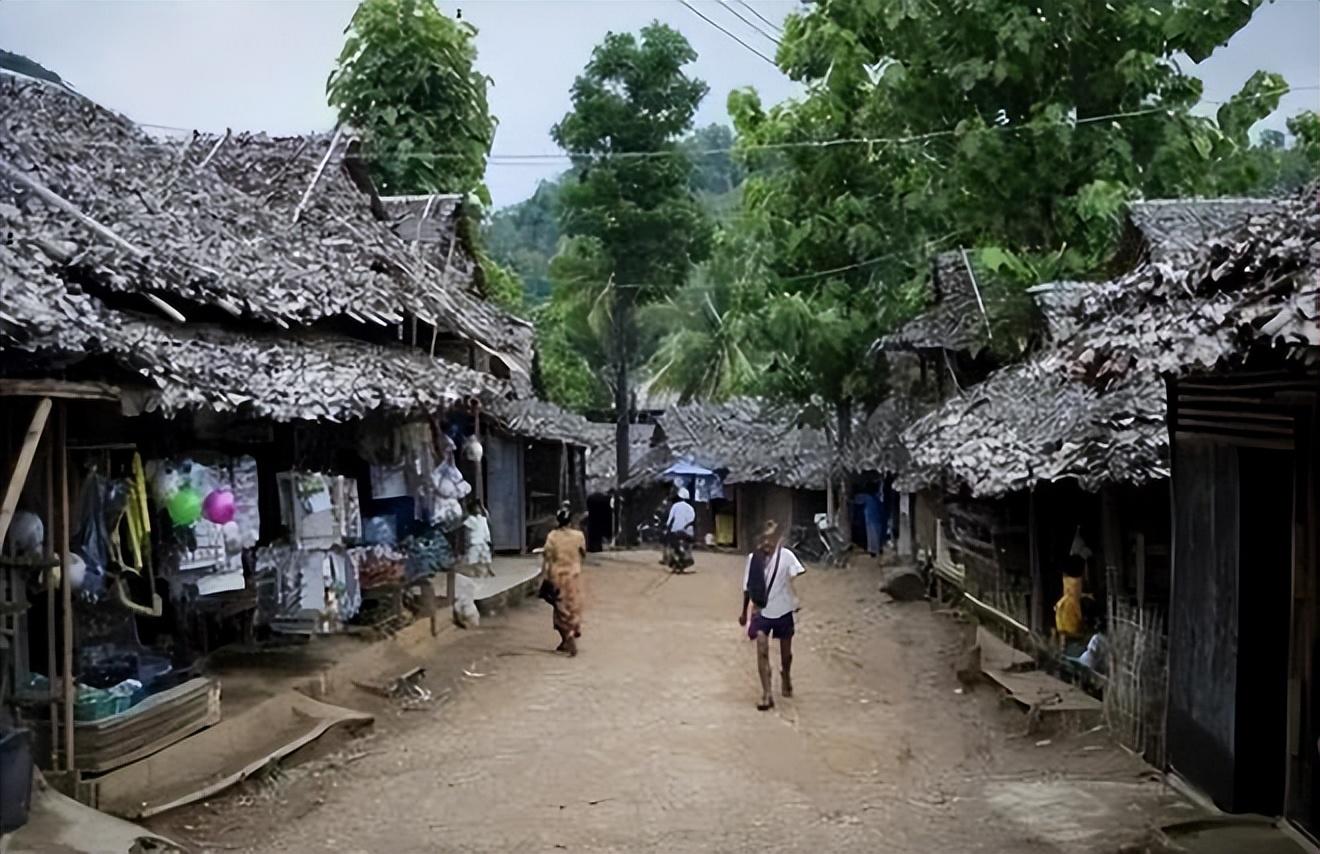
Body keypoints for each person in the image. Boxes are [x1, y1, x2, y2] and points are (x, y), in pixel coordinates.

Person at [738, 521, 806, 711]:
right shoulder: (753, 560)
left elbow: (793, 580)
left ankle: (786, 674)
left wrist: (795, 600)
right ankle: (767, 693)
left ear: (779, 540)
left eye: (771, 538)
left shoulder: (787, 557)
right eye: (764, 538)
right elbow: (747, 588)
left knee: (786, 653)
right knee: (762, 650)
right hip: (762, 611)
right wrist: (744, 612)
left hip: (783, 610)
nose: (767, 543)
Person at [542, 507, 586, 656]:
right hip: (574, 575)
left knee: (560, 609)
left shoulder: (552, 536)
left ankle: (567, 637)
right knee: (574, 606)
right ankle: (572, 632)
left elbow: (547, 558)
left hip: (557, 575)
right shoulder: (578, 536)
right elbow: (583, 553)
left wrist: (545, 576)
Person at [664, 487, 696, 571]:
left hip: (676, 532)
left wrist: (667, 528)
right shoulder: (690, 508)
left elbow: (669, 520)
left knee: (672, 545)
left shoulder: (675, 506)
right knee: (688, 546)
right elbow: (692, 521)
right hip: (687, 533)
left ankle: (675, 561)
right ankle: (687, 558)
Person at [462, 499, 493, 578]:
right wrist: (467, 542)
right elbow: (467, 532)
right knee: (473, 559)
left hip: (483, 542)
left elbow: (486, 531)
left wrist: (488, 540)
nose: (478, 510)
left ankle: (488, 569)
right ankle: (475, 571)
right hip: (474, 543)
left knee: (486, 557)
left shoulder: (483, 519)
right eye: (476, 508)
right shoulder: (470, 520)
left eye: (479, 508)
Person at [854, 487, 884, 557]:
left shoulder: (867, 498)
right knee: (878, 535)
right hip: (878, 519)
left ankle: (873, 551)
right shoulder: (878, 497)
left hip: (871, 519)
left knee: (872, 536)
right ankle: (878, 549)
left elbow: (856, 500)